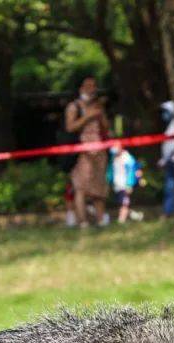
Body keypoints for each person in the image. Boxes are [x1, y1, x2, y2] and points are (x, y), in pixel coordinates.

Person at [64, 75, 110, 228]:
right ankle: (82, 221)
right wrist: (87, 117)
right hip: (81, 152)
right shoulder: (74, 107)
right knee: (80, 187)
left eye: (93, 86)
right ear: (80, 88)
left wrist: (100, 114)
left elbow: (106, 127)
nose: (91, 89)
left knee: (98, 187)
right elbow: (70, 127)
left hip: (99, 151)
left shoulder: (98, 106)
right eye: (87, 86)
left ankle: (101, 219)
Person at [107, 141, 143, 224]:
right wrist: (109, 179)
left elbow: (131, 172)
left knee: (124, 203)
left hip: (125, 185)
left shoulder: (127, 158)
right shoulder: (114, 157)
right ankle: (137, 216)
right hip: (117, 185)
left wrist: (129, 184)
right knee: (122, 203)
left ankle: (121, 221)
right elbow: (111, 170)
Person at [158, 101, 174, 218]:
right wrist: (164, 160)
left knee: (172, 187)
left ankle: (170, 211)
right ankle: (168, 211)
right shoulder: (171, 126)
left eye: (167, 111)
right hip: (170, 162)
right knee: (170, 188)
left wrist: (166, 159)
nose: (164, 114)